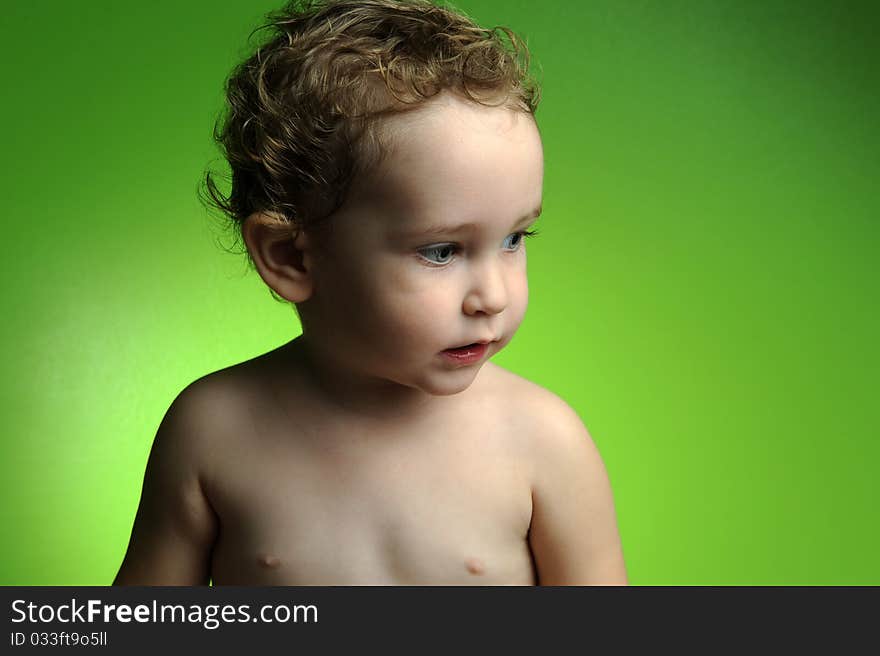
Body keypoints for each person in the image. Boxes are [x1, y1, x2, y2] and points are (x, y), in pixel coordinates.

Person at [114, 0, 627, 585]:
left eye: (514, 238)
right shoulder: (214, 431)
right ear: (290, 257)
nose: (493, 295)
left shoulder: (542, 442)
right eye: (442, 251)